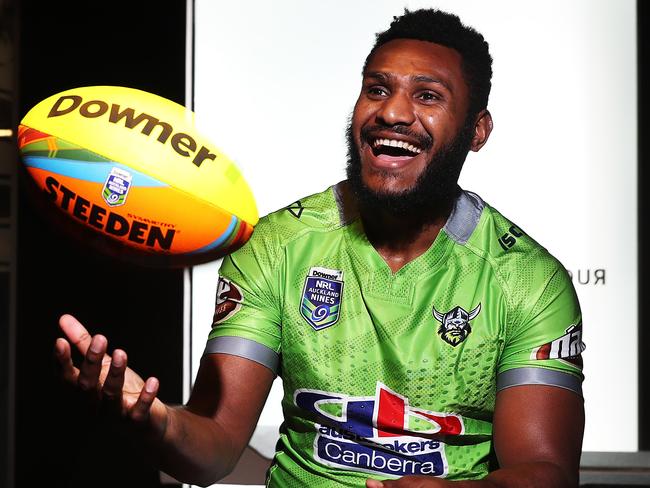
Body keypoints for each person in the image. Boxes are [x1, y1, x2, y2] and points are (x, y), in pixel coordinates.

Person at [55, 9, 586, 488]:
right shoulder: (276, 246)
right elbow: (213, 449)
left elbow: (546, 471)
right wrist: (158, 421)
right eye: (376, 89)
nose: (393, 112)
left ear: (477, 131)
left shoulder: (527, 280)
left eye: (427, 95)